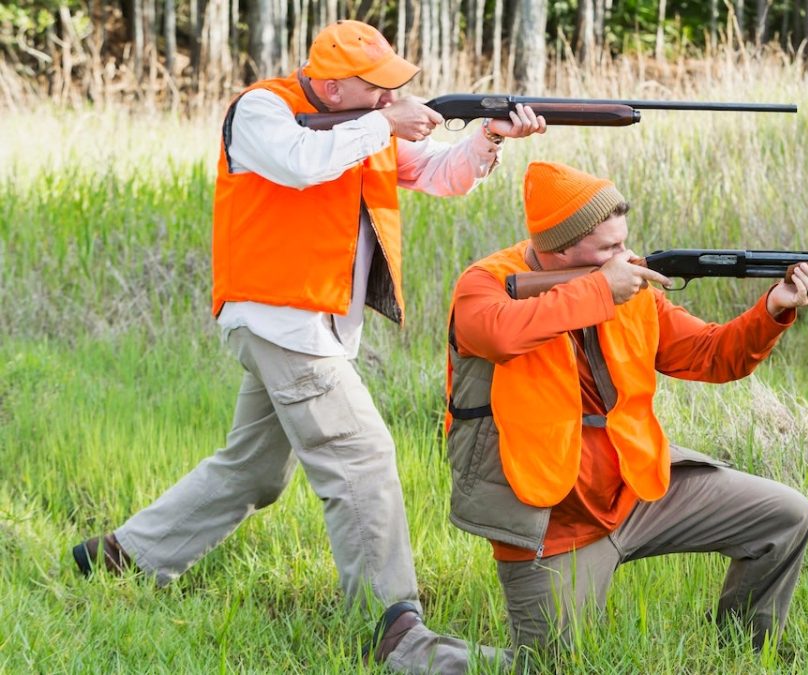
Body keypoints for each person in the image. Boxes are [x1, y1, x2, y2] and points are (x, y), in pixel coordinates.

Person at [72, 19, 544, 672]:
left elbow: (440, 173)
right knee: (362, 456)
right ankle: (395, 634)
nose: (388, 95)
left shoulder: (364, 124)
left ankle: (122, 556)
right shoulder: (261, 110)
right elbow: (300, 162)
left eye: (391, 85)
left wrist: (488, 138)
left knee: (254, 470)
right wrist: (384, 123)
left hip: (312, 327)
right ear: (330, 85)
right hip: (283, 324)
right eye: (375, 86)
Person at [443, 160, 808, 658]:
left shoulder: (629, 287)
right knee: (551, 668)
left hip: (637, 489)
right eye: (609, 249)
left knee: (786, 517)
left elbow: (712, 355)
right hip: (552, 522)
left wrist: (775, 307)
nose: (626, 257)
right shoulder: (486, 284)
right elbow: (497, 334)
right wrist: (599, 290)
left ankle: (741, 654)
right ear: (559, 250)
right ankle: (411, 646)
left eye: (624, 242)